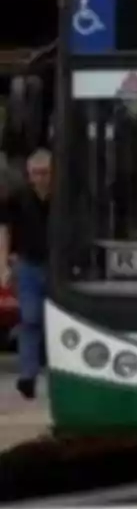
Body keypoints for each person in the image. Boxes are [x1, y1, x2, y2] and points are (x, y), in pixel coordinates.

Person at [0, 149, 51, 400]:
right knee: (29, 319)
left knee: (55, 322)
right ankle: (28, 376)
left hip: (57, 267)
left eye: (45, 173)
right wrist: (5, 264)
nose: (40, 178)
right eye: (35, 173)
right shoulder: (18, 198)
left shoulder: (64, 199)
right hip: (28, 265)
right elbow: (6, 230)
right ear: (29, 175)